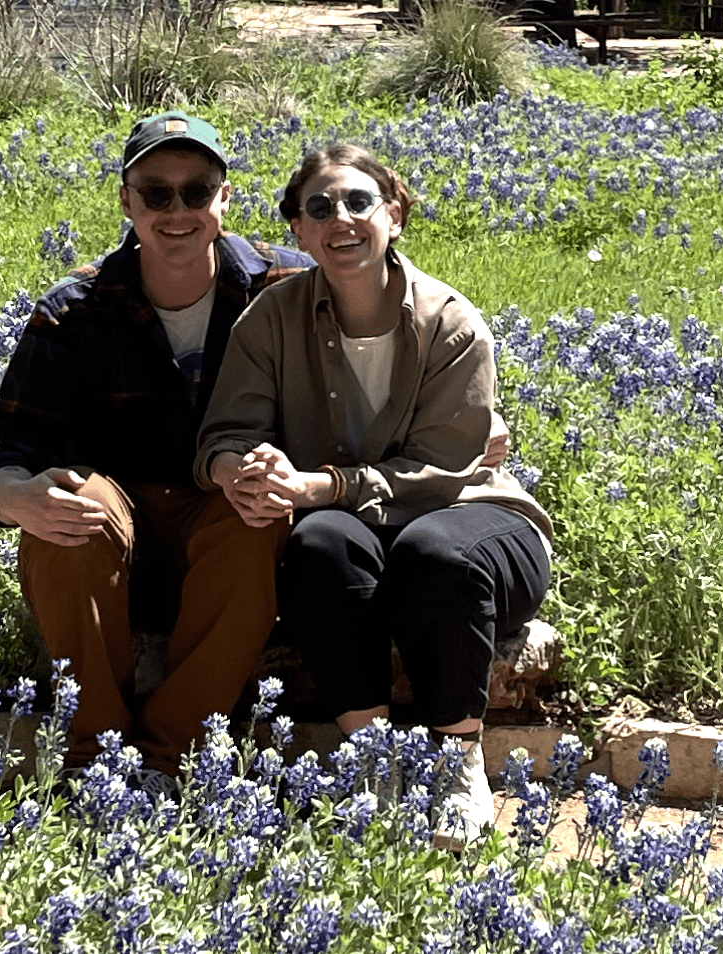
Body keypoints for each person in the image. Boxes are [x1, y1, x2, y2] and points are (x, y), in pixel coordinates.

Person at [195, 144, 553, 850]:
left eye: (359, 202)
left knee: (434, 554)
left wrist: (321, 484)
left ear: (394, 216)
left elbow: (444, 471)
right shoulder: (272, 318)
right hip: (352, 529)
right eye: (320, 207)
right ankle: (374, 760)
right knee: (317, 544)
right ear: (299, 232)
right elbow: (225, 434)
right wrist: (242, 472)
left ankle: (457, 762)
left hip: (470, 517)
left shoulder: (450, 321)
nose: (342, 219)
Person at [0, 111, 314, 785]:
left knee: (257, 510)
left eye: (196, 191)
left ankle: (170, 753)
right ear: (127, 202)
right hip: (117, 527)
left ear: (224, 198)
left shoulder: (286, 284)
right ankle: (92, 755)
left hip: (223, 523)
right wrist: (15, 497)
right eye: (156, 194)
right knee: (69, 505)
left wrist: (464, 408)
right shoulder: (75, 307)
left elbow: (391, 300)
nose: (176, 211)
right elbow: (7, 443)